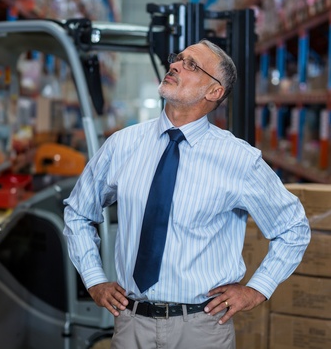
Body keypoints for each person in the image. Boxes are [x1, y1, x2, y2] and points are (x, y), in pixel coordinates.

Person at [63, 39, 310, 349]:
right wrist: (94, 279)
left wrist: (256, 289)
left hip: (201, 329)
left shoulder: (239, 160)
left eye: (191, 64)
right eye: (177, 59)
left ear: (214, 92)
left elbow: (293, 229)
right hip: (130, 323)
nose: (175, 65)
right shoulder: (122, 145)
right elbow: (78, 212)